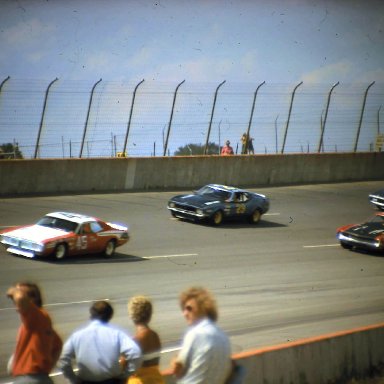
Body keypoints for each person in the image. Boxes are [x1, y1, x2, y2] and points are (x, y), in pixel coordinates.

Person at [59, 300, 142, 384]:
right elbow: (135, 353)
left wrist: (73, 379)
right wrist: (125, 375)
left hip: (86, 381)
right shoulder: (116, 334)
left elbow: (63, 359)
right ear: (110, 316)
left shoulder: (77, 336)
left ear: (91, 315)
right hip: (111, 381)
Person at [171, 286, 232, 384]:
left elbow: (177, 369)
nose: (185, 314)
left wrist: (175, 359)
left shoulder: (195, 334)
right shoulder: (224, 337)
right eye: (184, 309)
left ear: (203, 308)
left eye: (189, 308)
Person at [6, 282, 63, 384]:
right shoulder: (41, 322)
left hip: (29, 378)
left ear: (32, 299)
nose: (14, 299)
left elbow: (20, 298)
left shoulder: (35, 316)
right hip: (40, 378)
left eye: (21, 292)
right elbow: (57, 345)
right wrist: (46, 368)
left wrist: (13, 290)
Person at [126, 296, 165, 384]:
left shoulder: (135, 341)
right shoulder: (155, 336)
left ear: (131, 316)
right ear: (150, 315)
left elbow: (123, 367)